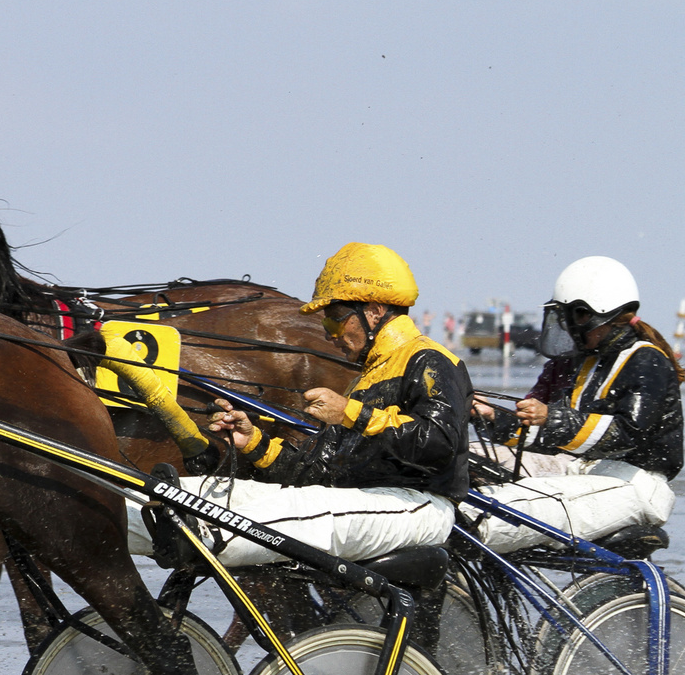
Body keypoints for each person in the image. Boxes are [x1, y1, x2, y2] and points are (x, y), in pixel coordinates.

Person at [130, 242, 471, 575]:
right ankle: (113, 521)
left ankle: (200, 536)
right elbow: (317, 471)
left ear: (374, 311)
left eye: (335, 320)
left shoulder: (429, 359)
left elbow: (440, 443)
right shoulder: (365, 380)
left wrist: (350, 414)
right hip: (365, 503)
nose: (329, 334)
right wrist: (254, 443)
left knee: (288, 510)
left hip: (417, 507)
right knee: (181, 494)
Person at [470, 256, 682, 552]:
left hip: (635, 483)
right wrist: (493, 419)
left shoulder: (647, 360)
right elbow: (554, 435)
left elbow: (628, 433)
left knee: (490, 512)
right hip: (581, 469)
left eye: (576, 317)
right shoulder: (584, 363)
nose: (569, 328)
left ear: (600, 313)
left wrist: (550, 417)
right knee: (462, 462)